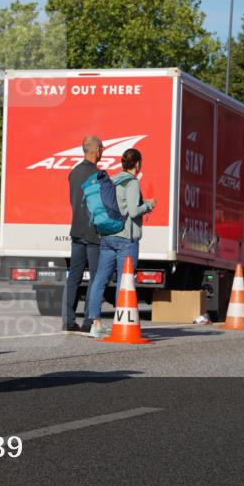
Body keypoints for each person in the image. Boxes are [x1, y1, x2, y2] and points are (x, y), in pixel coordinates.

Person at [83, 148, 156, 338]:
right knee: (124, 282)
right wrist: (149, 205)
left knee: (100, 279)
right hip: (125, 239)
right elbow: (132, 211)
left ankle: (95, 322)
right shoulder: (132, 182)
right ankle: (121, 322)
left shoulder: (113, 179)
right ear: (138, 164)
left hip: (107, 236)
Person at [62, 135, 104, 331]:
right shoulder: (98, 175)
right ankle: (88, 320)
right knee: (95, 278)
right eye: (101, 148)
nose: (102, 151)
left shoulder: (74, 172)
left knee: (74, 277)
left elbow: (74, 201)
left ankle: (68, 321)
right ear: (96, 150)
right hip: (93, 232)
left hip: (76, 230)